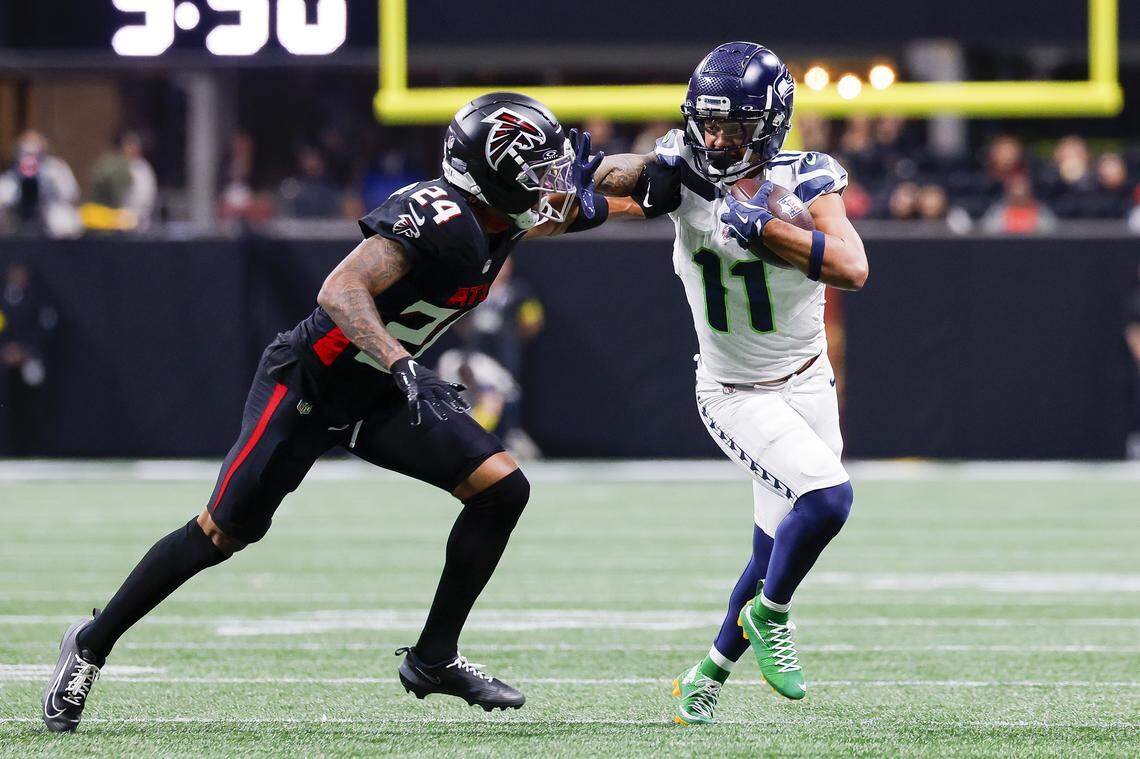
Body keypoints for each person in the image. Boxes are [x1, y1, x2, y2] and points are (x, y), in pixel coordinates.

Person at [40, 92, 628, 732]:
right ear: (491, 178)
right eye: (535, 172)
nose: (550, 185)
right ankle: (92, 642)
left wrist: (686, 166)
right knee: (222, 533)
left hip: (378, 393)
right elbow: (340, 289)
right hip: (309, 383)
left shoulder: (503, 215)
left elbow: (602, 190)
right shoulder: (437, 216)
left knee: (501, 489)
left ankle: (434, 658)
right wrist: (402, 362)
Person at [589, 41, 868, 724]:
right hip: (735, 393)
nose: (715, 139)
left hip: (807, 380)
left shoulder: (807, 177)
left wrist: (772, 228)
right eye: (706, 124)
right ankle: (772, 616)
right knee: (827, 500)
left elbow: (854, 267)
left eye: (731, 127)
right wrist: (601, 172)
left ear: (769, 124)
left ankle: (706, 674)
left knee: (776, 544)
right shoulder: (683, 171)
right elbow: (621, 180)